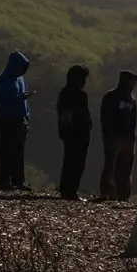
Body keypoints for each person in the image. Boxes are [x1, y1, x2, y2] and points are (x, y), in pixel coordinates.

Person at [0, 52, 33, 190]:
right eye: (20, 67)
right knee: (7, 150)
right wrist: (19, 99)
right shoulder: (2, 80)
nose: (21, 70)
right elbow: (2, 101)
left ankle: (18, 180)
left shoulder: (20, 79)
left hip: (20, 119)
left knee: (19, 151)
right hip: (8, 119)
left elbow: (22, 98)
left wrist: (26, 114)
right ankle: (4, 180)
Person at [97, 71, 137, 202]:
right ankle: (107, 192)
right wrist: (109, 133)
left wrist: (133, 136)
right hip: (113, 136)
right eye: (132, 82)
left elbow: (133, 120)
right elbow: (105, 117)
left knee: (125, 167)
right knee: (111, 165)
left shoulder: (132, 99)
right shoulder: (111, 96)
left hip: (128, 137)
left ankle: (123, 194)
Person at [54, 65, 92, 200]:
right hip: (80, 133)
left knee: (69, 161)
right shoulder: (80, 95)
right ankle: (72, 190)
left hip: (68, 133)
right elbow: (83, 115)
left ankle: (66, 188)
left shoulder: (63, 94)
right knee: (77, 163)